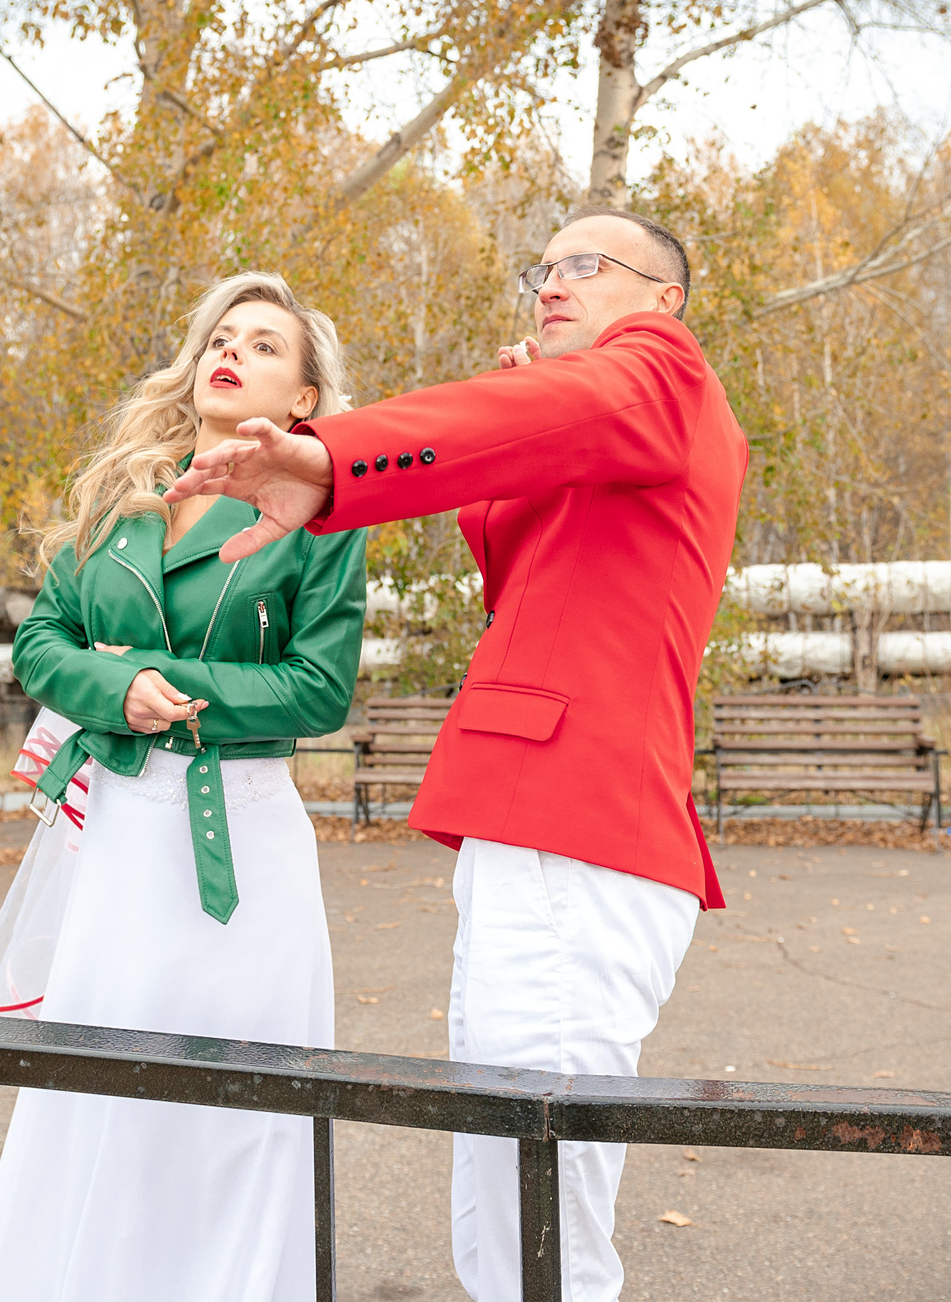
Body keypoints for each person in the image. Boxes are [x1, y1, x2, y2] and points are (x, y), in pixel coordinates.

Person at [167, 208, 747, 1302]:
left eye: (587, 265)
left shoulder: (662, 371)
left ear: (662, 300)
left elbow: (538, 412)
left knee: (543, 1184)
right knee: (498, 1179)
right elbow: (534, 534)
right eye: (545, 268)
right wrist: (470, 463)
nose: (552, 283)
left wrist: (329, 458)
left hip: (577, 826)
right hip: (533, 826)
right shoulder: (611, 423)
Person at [0, 272, 368, 1302]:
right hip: (120, 836)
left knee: (237, 1104)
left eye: (265, 343)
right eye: (221, 335)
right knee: (99, 1090)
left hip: (244, 840)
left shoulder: (324, 515)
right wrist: (114, 686)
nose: (230, 349)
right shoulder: (122, 494)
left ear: (307, 400)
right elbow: (41, 639)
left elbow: (319, 688)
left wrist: (167, 687)